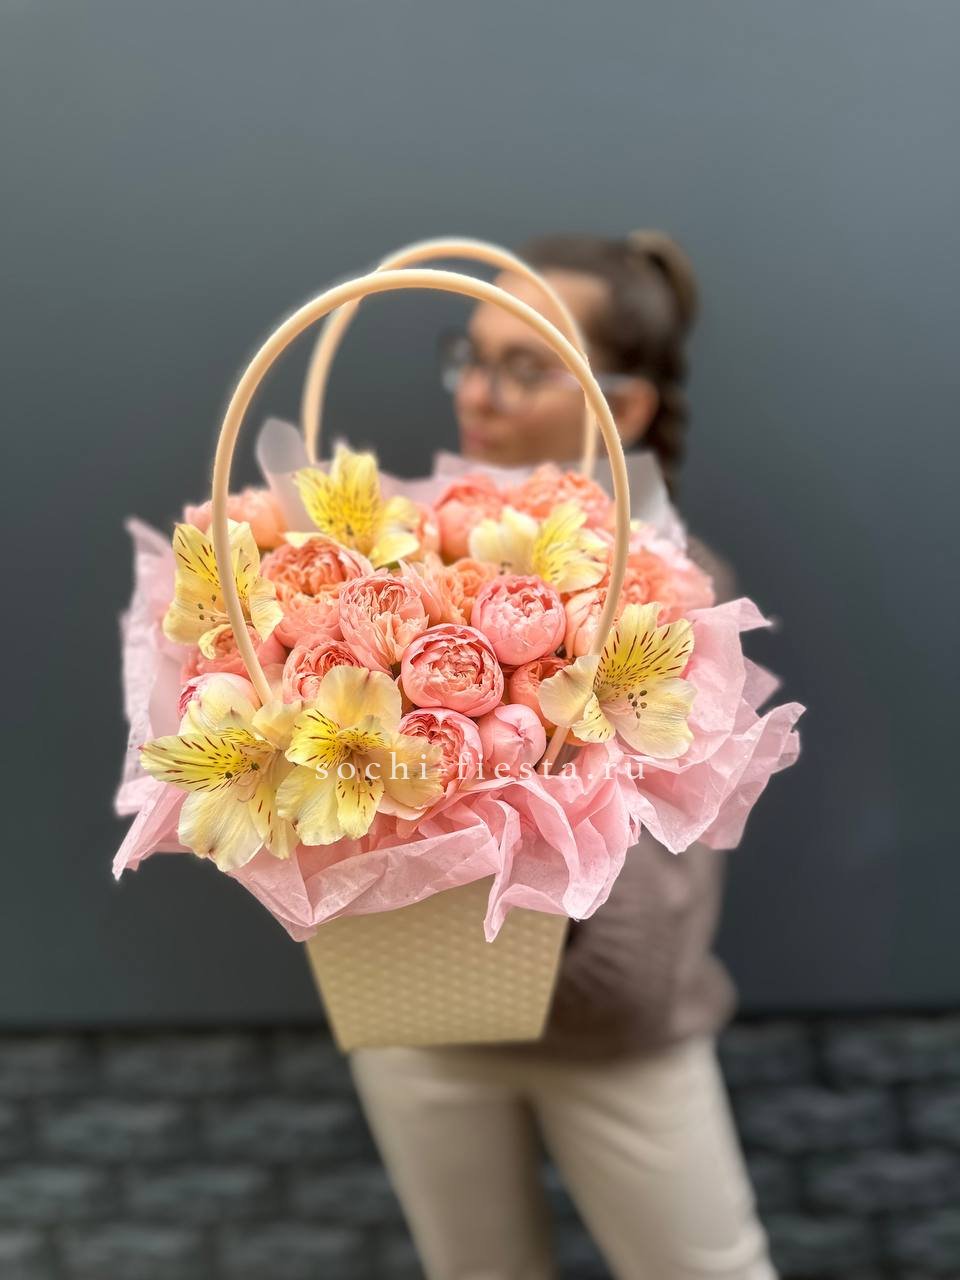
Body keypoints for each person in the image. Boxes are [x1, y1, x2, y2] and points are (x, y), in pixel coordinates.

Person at [349, 232, 777, 1280]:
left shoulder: (679, 592)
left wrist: (523, 922)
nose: (478, 392)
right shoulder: (392, 565)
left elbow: (651, 919)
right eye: (472, 354)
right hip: (419, 1016)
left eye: (526, 366)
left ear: (624, 408)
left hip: (613, 1039)